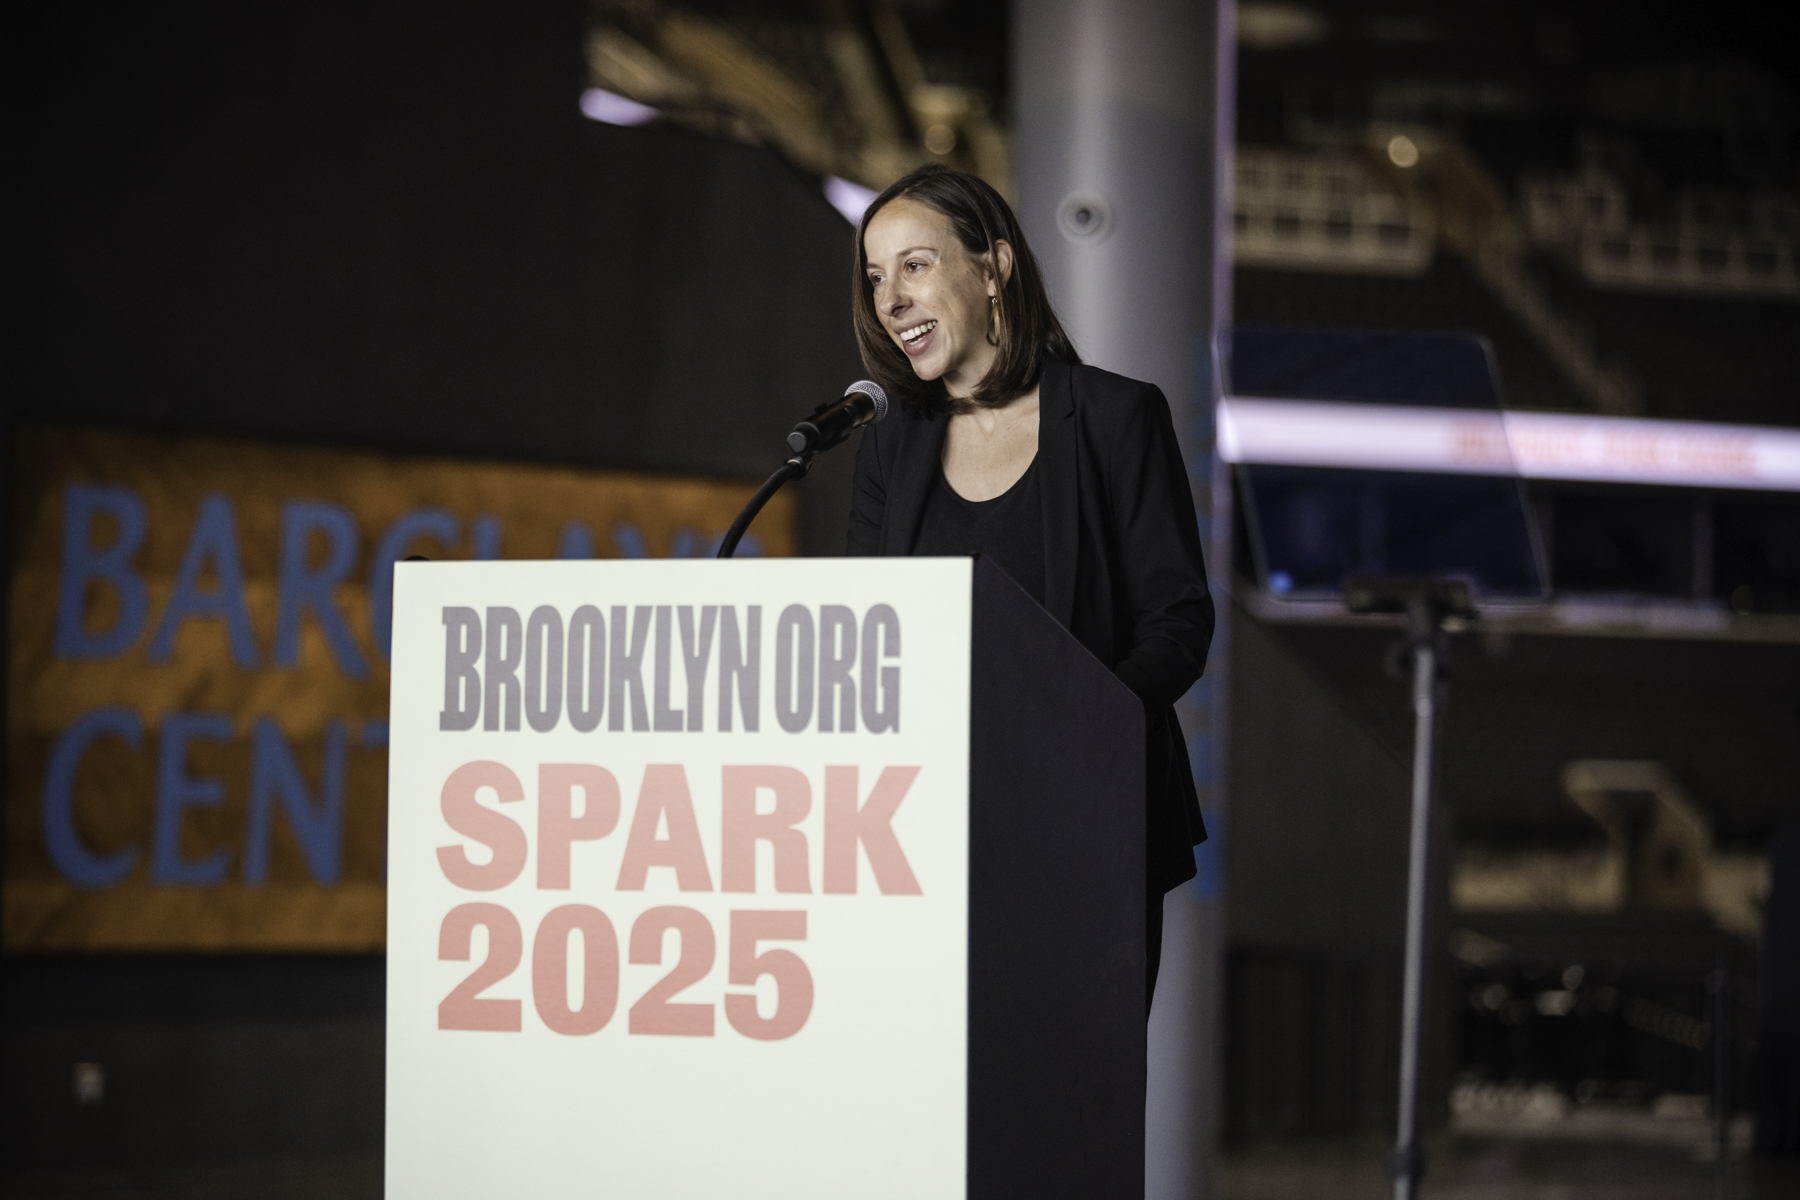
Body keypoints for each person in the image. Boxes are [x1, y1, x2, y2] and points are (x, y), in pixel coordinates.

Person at [845, 163, 1214, 1010]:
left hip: (1085, 826)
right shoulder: (888, 445)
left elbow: (1179, 622)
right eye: (875, 277)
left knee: (1068, 1119)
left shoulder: (1118, 418)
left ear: (994, 267)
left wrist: (1068, 728)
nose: (889, 299)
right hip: (919, 841)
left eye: (914, 265)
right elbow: (867, 633)